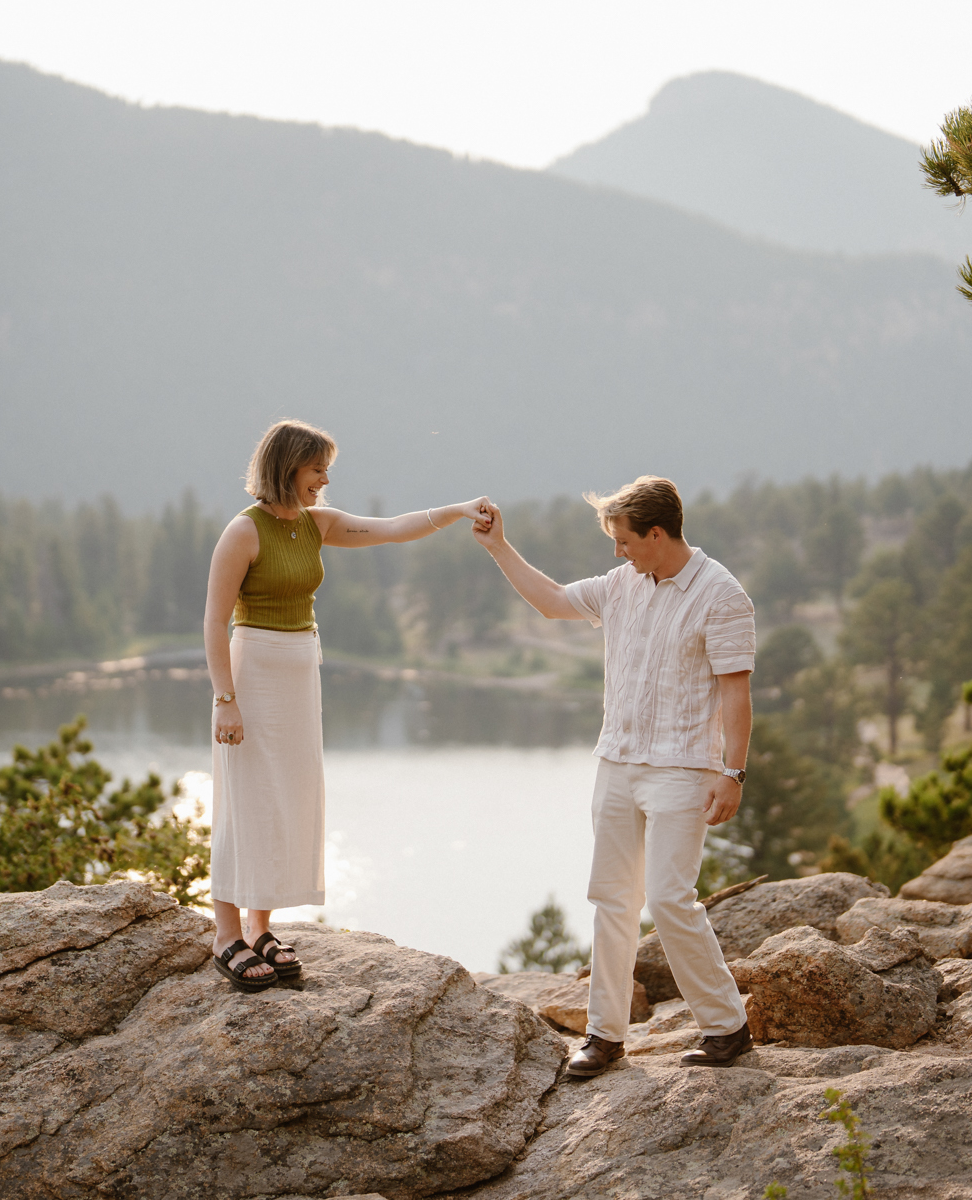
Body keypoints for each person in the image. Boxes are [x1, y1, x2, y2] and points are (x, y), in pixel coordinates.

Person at [473, 475, 755, 1075]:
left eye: (625, 540)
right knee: (612, 898)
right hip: (618, 760)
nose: (618, 552)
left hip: (685, 768)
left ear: (657, 533)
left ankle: (727, 1027)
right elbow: (550, 600)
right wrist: (499, 545)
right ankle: (605, 1036)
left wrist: (732, 772)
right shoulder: (620, 585)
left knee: (671, 899)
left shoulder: (722, 594)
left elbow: (736, 693)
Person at [203, 419, 492, 992]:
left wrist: (458, 509)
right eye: (317, 469)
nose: (325, 479)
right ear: (289, 468)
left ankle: (262, 927)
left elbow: (391, 529)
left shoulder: (318, 524)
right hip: (253, 670)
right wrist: (225, 700)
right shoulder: (243, 532)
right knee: (246, 797)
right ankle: (225, 934)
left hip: (299, 669)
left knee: (289, 794)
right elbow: (213, 620)